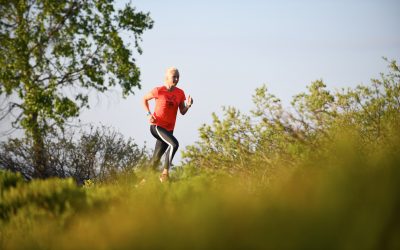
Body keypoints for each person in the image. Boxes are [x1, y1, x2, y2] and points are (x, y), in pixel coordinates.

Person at [142, 67, 193, 182]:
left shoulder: (180, 93)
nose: (176, 79)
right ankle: (165, 174)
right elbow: (144, 99)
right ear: (167, 78)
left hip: (169, 130)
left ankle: (142, 184)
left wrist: (188, 105)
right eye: (174, 77)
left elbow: (182, 111)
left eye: (178, 77)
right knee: (174, 144)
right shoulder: (158, 90)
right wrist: (148, 114)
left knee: (155, 159)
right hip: (157, 126)